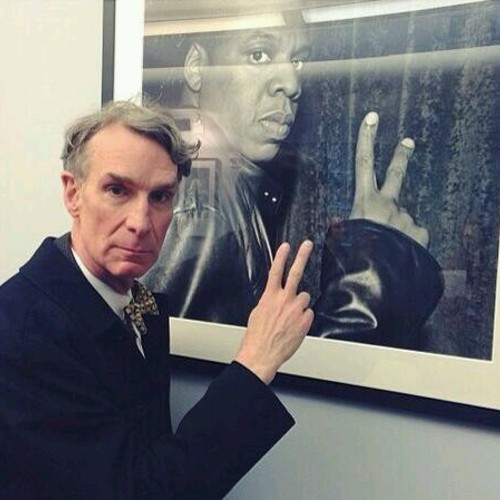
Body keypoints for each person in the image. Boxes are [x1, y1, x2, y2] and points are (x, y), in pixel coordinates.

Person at [0, 100, 316, 499]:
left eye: (161, 196)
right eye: (117, 190)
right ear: (73, 193)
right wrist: (256, 361)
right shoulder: (19, 332)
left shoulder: (135, 303)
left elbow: (147, 456)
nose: (140, 222)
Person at [143, 12, 444, 349]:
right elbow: (186, 372)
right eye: (259, 54)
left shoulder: (223, 181)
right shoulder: (197, 202)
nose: (292, 83)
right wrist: (374, 273)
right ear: (197, 67)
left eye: (298, 60)